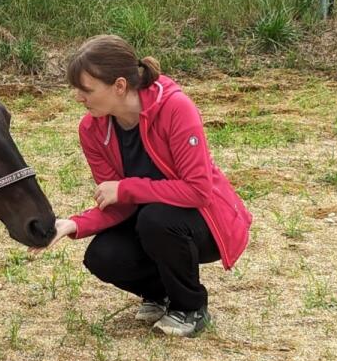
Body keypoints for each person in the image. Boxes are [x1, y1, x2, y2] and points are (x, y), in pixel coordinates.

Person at [49, 35, 252, 337]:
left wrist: (127, 188)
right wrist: (74, 225)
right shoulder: (91, 130)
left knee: (155, 218)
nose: (79, 97)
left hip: (202, 224)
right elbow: (119, 204)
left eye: (86, 89)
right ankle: (161, 295)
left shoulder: (176, 108)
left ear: (119, 86)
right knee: (101, 256)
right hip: (152, 225)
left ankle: (190, 308)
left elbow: (198, 190)